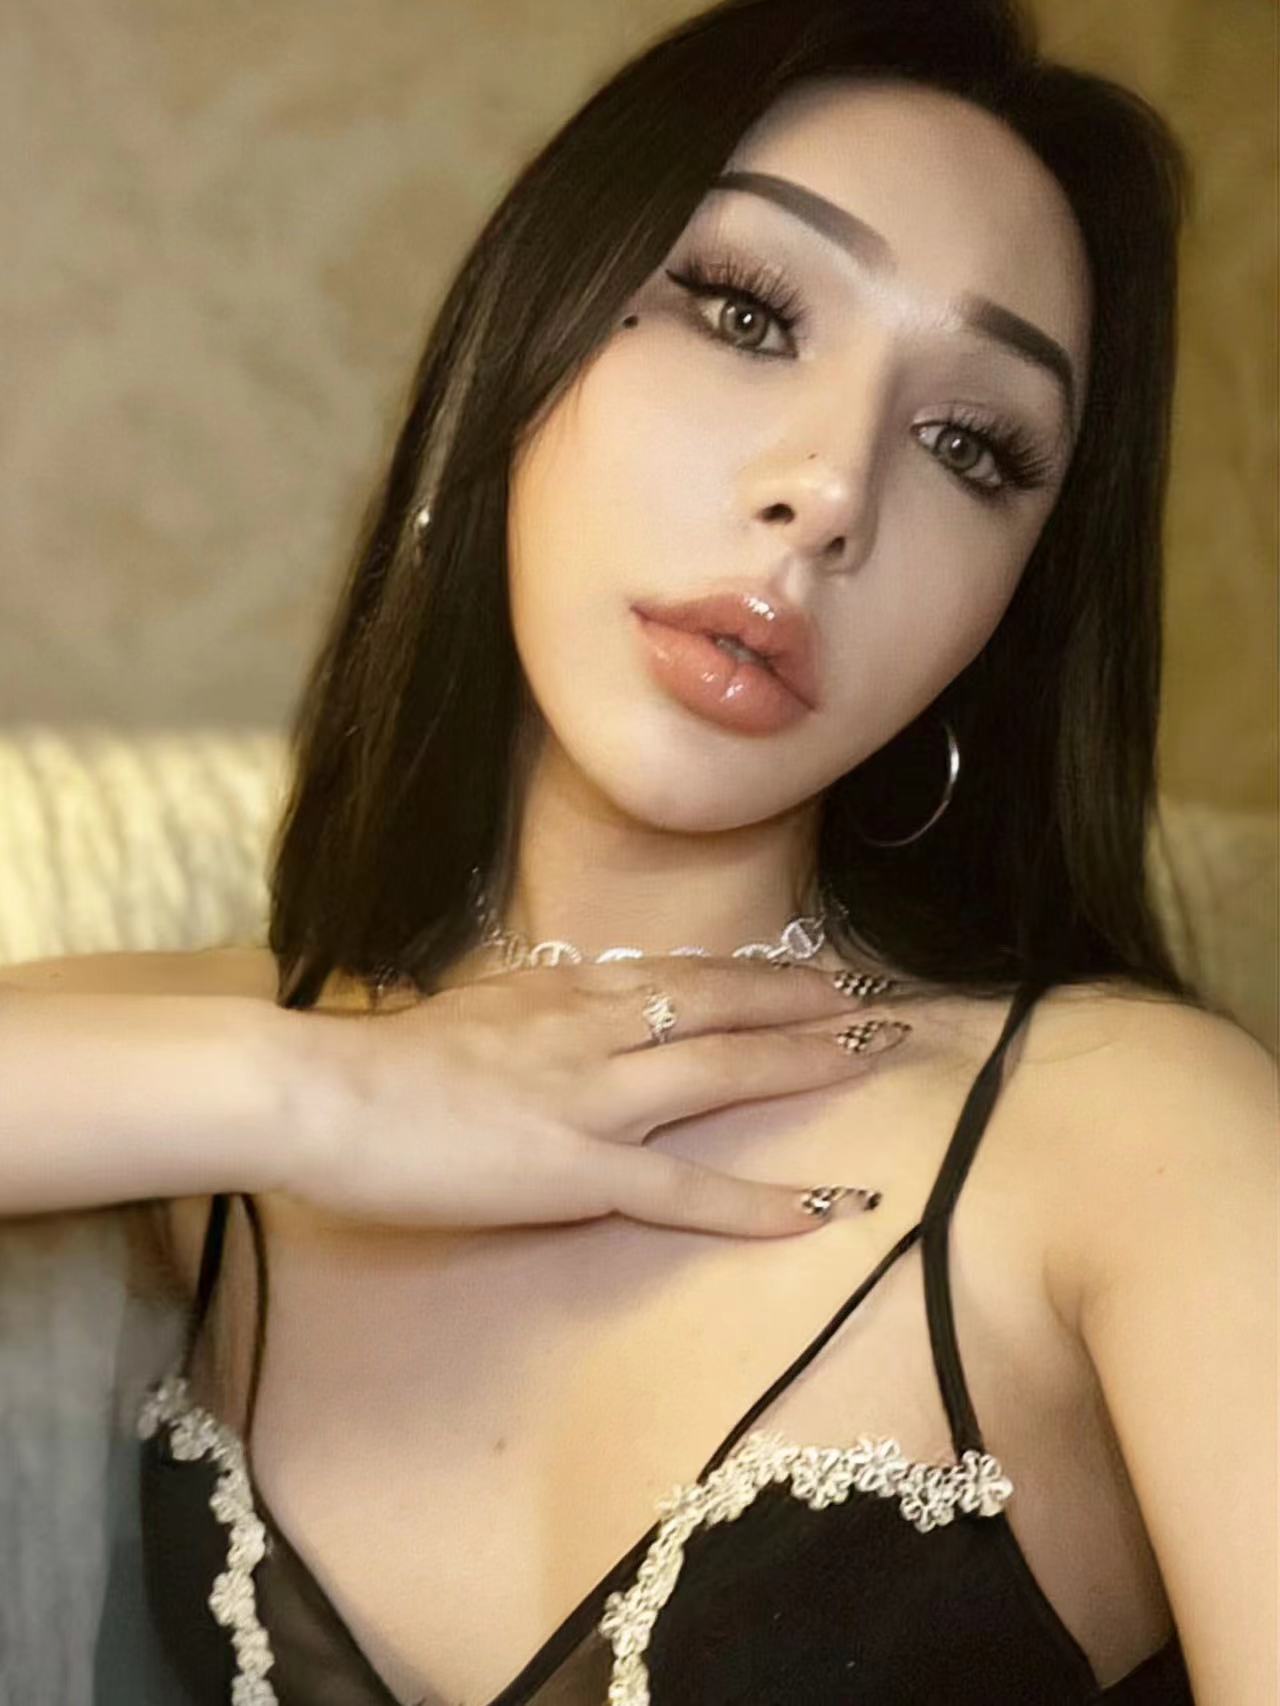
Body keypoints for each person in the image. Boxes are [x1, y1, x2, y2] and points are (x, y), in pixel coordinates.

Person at [0, 0, 1275, 1701]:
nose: (831, 489)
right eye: (748, 313)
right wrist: (315, 1096)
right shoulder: (252, 1065)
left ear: (1007, 614)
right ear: (517, 350)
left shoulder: (1146, 1144)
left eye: (971, 444)